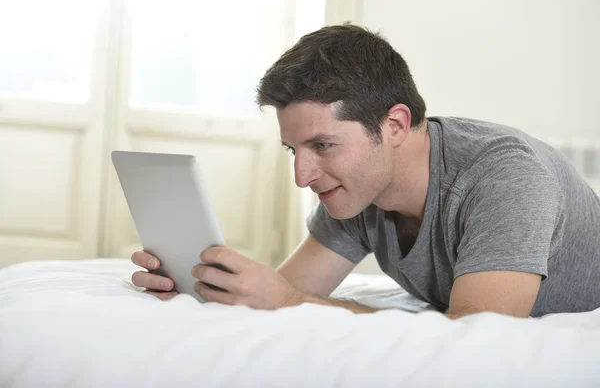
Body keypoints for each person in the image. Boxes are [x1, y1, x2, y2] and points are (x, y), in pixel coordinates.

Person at [130, 24, 600, 318]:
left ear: (393, 125)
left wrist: (291, 303)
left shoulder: (505, 180)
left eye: (323, 145)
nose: (303, 175)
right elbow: (285, 292)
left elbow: (474, 340)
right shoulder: (355, 187)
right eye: (292, 150)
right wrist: (203, 285)